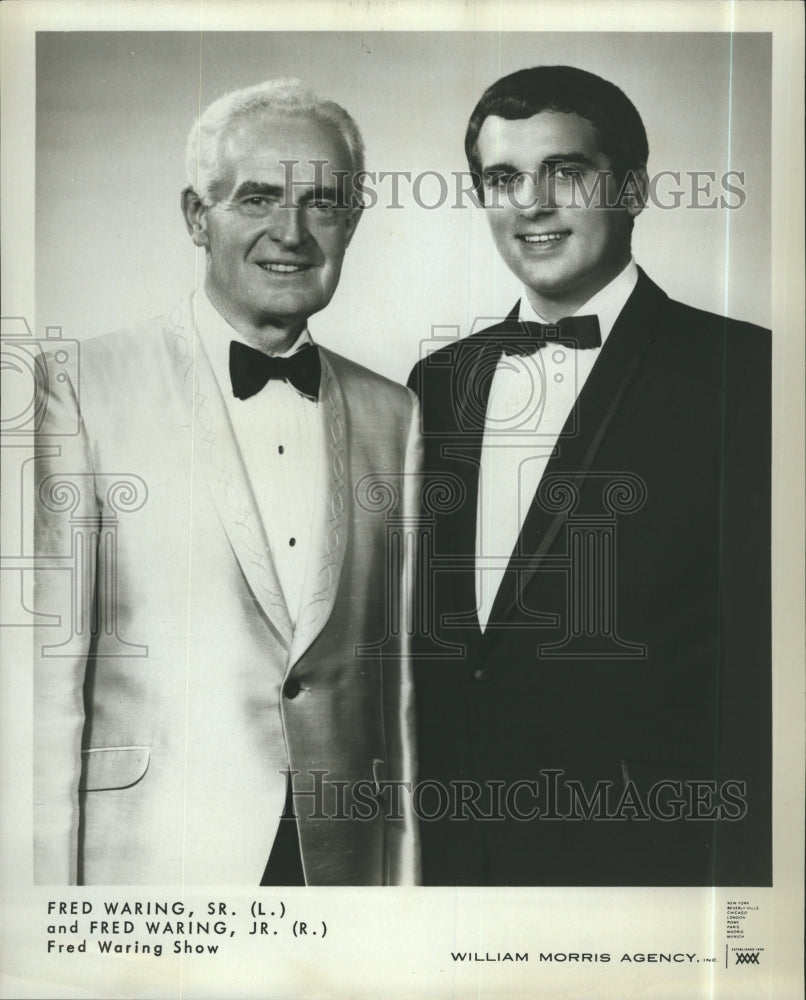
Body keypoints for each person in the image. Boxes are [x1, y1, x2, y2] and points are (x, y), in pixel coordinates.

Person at [33, 79, 419, 886]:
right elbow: (38, 677)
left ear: (352, 221)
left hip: (343, 861)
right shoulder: (74, 387)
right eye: (258, 199)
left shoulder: (398, 412)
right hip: (150, 857)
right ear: (194, 217)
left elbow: (402, 688)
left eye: (322, 202)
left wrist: (404, 885)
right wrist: (32, 903)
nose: (292, 232)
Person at [408, 65, 770, 886]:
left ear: (634, 188)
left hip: (650, 863)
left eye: (565, 171)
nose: (531, 204)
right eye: (502, 179)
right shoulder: (434, 384)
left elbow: (771, 676)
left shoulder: (748, 375)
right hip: (453, 862)